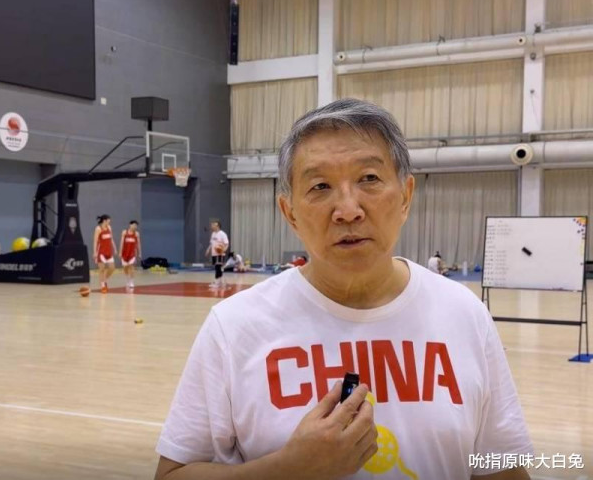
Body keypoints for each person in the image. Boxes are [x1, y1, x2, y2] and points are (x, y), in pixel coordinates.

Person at [155, 98, 532, 480]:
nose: (348, 210)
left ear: (405, 196)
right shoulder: (234, 327)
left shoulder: (463, 314)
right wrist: (286, 470)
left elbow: (501, 469)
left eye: (369, 178)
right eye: (320, 186)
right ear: (290, 213)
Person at [93, 215, 117, 293]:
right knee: (102, 269)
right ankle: (103, 285)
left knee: (112, 268)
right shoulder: (98, 229)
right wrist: (94, 252)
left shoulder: (109, 227)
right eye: (108, 221)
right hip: (101, 252)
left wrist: (114, 248)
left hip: (109, 251)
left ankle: (104, 279)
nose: (109, 222)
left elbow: (111, 239)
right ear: (104, 221)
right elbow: (95, 241)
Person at [204, 221, 229, 289]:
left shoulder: (222, 234)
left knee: (218, 267)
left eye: (214, 225)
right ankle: (220, 282)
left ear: (218, 226)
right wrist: (208, 250)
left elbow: (226, 244)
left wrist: (223, 250)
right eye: (212, 225)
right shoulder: (213, 233)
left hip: (220, 254)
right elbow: (211, 243)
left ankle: (217, 283)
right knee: (217, 267)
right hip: (214, 254)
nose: (212, 226)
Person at [119, 220, 142, 289]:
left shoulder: (136, 234)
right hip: (125, 253)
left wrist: (140, 253)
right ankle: (127, 279)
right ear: (130, 225)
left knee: (131, 267)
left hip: (132, 253)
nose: (135, 227)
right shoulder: (124, 232)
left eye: (136, 226)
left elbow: (138, 244)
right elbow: (121, 242)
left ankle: (131, 282)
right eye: (134, 225)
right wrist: (120, 252)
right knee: (125, 268)